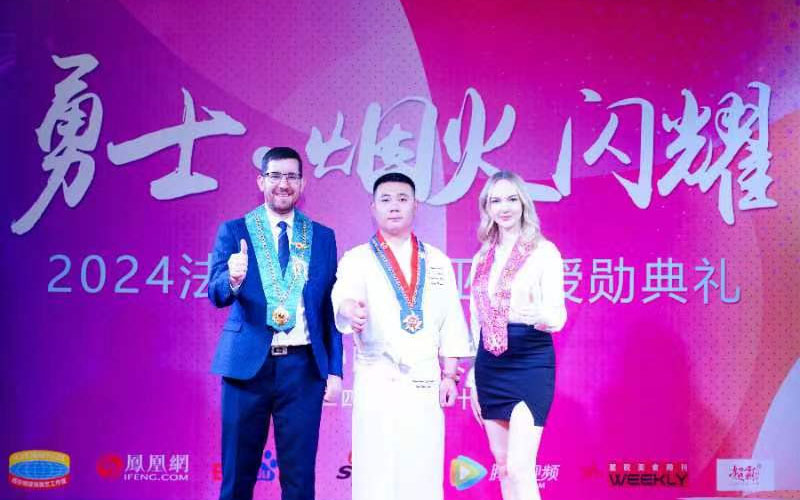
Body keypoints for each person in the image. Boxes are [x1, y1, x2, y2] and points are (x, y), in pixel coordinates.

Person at [207, 147, 343, 500]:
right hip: (246, 369)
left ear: (302, 183)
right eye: (276, 176)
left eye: (291, 176)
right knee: (237, 478)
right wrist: (232, 279)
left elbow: (329, 309)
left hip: (303, 369)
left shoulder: (321, 237)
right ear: (261, 181)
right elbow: (216, 293)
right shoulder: (235, 230)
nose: (284, 184)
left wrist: (335, 370)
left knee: (299, 481)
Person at [332, 172, 473, 500]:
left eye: (402, 199)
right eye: (385, 200)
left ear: (415, 205)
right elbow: (342, 297)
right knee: (374, 464)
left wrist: (449, 375)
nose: (394, 206)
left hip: (424, 377)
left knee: (423, 463)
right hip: (376, 374)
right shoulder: (357, 258)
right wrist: (350, 310)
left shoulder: (436, 261)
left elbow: (451, 319)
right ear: (373, 208)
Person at [467, 170, 567, 500]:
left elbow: (558, 315)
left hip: (530, 360)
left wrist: (534, 314)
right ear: (487, 207)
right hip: (490, 364)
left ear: (523, 203)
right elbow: (476, 320)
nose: (504, 207)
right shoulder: (482, 257)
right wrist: (472, 375)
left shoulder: (543, 252)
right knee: (503, 465)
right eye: (496, 200)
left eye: (511, 199)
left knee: (521, 466)